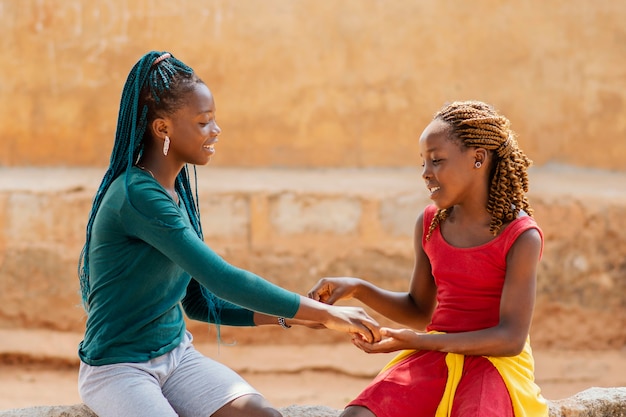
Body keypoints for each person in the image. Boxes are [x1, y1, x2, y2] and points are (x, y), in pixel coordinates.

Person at [76, 50, 381, 417]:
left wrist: (297, 317)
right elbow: (222, 279)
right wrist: (328, 314)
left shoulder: (175, 192)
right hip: (118, 369)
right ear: (162, 129)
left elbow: (200, 302)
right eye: (203, 122)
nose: (215, 130)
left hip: (177, 357)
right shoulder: (137, 195)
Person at [309, 100, 549, 417]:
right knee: (358, 415)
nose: (425, 173)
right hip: (433, 358)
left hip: (495, 365)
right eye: (422, 163)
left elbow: (510, 339)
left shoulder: (520, 236)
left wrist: (421, 342)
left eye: (436, 161)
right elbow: (419, 309)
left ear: (478, 159)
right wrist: (357, 288)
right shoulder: (430, 223)